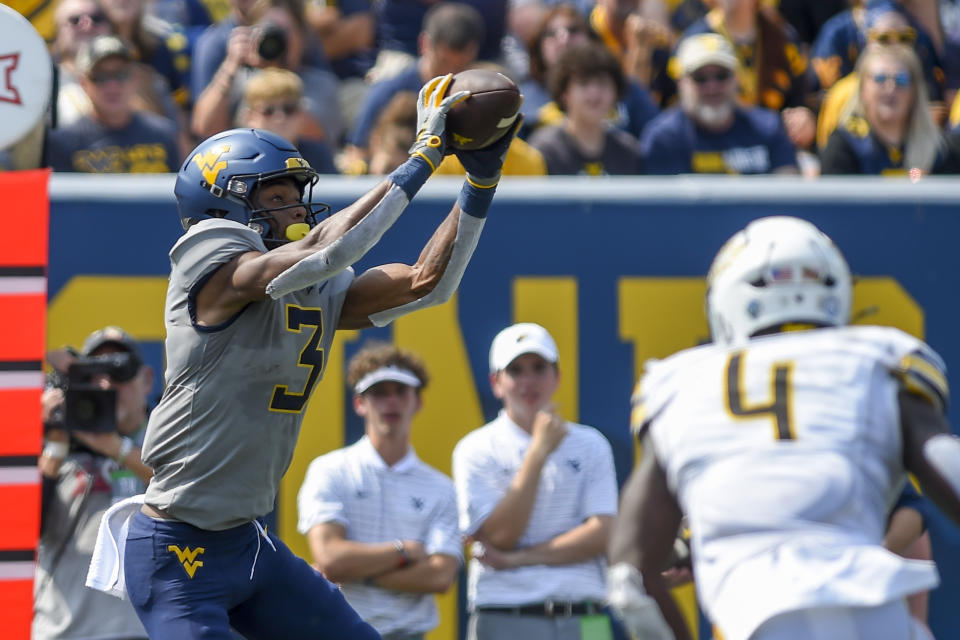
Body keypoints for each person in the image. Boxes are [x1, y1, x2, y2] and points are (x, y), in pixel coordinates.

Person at [87, 73, 521, 639]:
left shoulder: (308, 278)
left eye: (296, 194)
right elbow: (322, 250)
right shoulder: (210, 258)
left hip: (247, 541)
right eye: (273, 196)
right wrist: (424, 154)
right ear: (223, 206)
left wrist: (481, 182)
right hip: (176, 550)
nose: (293, 208)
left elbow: (425, 282)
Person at [607, 216, 960, 640]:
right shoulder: (875, 360)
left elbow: (631, 579)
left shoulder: (681, 385)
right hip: (875, 618)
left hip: (757, 620)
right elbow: (947, 464)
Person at [452, 322, 621, 640]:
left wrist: (518, 560)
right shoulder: (475, 448)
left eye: (538, 368)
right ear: (496, 383)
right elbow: (500, 536)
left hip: (586, 615)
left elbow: (602, 535)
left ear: (556, 376)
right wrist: (538, 453)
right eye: (515, 370)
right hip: (506, 614)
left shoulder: (591, 444)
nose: (528, 381)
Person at [297, 342, 461, 639]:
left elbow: (440, 576)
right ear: (359, 403)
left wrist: (354, 570)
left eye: (401, 392)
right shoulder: (330, 470)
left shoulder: (441, 488)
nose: (391, 402)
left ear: (418, 402)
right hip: (339, 631)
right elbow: (332, 557)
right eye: (379, 393)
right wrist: (404, 551)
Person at [34, 326, 154, 640]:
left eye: (118, 372)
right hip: (63, 631)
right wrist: (54, 447)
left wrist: (118, 448)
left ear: (147, 380)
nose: (105, 384)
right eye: (94, 374)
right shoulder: (54, 445)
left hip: (145, 631)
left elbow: (191, 492)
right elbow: (18, 530)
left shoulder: (171, 443)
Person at [343, 2, 485, 174]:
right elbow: (357, 154)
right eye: (444, 62)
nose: (451, 74)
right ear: (424, 44)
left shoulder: (482, 98)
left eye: (461, 65)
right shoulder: (388, 92)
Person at [641, 33, 799, 174]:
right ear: (681, 83)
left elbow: (789, 192)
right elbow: (662, 203)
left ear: (736, 79)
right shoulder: (664, 138)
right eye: (700, 78)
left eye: (721, 76)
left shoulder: (768, 128)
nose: (712, 87)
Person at [44, 34, 185, 172]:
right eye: (100, 77)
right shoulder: (63, 142)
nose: (112, 86)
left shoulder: (165, 134)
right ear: (83, 83)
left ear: (135, 79)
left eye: (121, 75)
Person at [820, 43, 960, 175]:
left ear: (915, 91)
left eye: (901, 79)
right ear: (862, 88)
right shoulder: (843, 148)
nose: (891, 87)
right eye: (880, 79)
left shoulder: (941, 152)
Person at [529, 42, 643, 175]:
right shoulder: (543, 150)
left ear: (616, 93)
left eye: (602, 83)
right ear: (565, 94)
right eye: (584, 84)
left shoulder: (628, 151)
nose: (594, 94)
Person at [236, 67, 339, 174]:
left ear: (302, 113)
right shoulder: (238, 157)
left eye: (289, 109)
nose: (280, 118)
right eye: (268, 111)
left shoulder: (318, 154)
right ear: (249, 117)